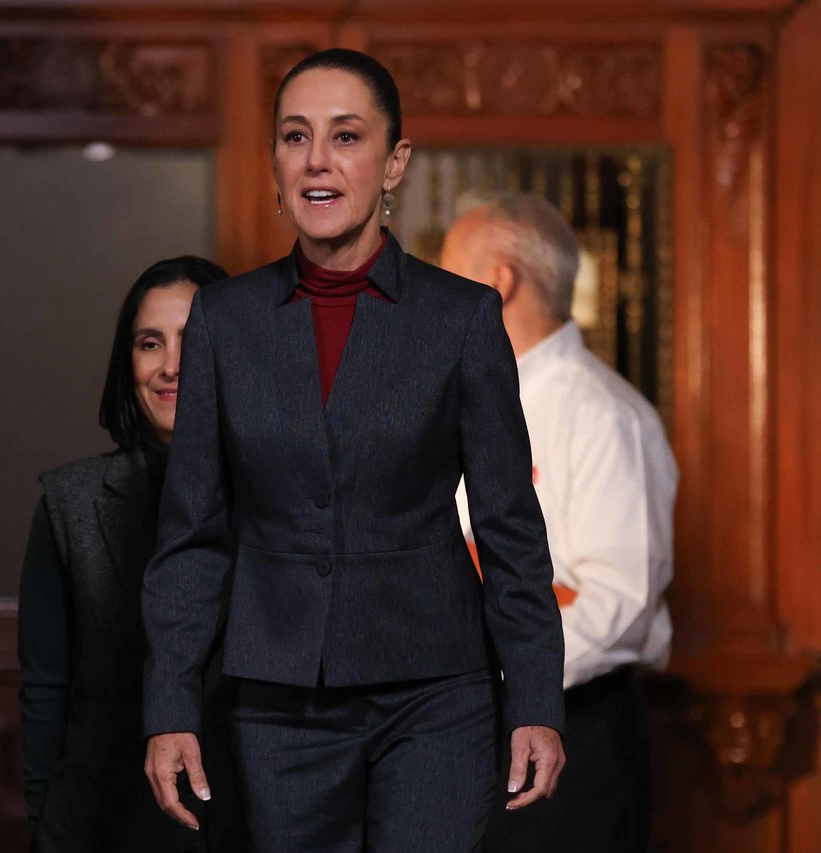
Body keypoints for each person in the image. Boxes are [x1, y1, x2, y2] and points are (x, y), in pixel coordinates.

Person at [141, 49, 566, 853]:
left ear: (394, 161)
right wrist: (169, 706)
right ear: (275, 161)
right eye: (295, 136)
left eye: (345, 136)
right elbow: (190, 537)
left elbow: (510, 526)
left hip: (437, 693)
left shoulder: (462, 318)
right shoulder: (225, 322)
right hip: (277, 702)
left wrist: (537, 699)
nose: (317, 160)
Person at [441, 194, 678, 853]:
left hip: (572, 731)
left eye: (447, 272)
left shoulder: (606, 417)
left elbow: (618, 605)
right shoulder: (463, 399)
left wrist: (478, 650)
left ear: (498, 281)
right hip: (458, 731)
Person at [17, 255, 246, 853]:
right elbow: (46, 691)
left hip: (249, 823)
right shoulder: (70, 504)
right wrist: (42, 826)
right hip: (100, 823)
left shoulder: (284, 499)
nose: (171, 365)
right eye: (150, 344)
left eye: (192, 340)